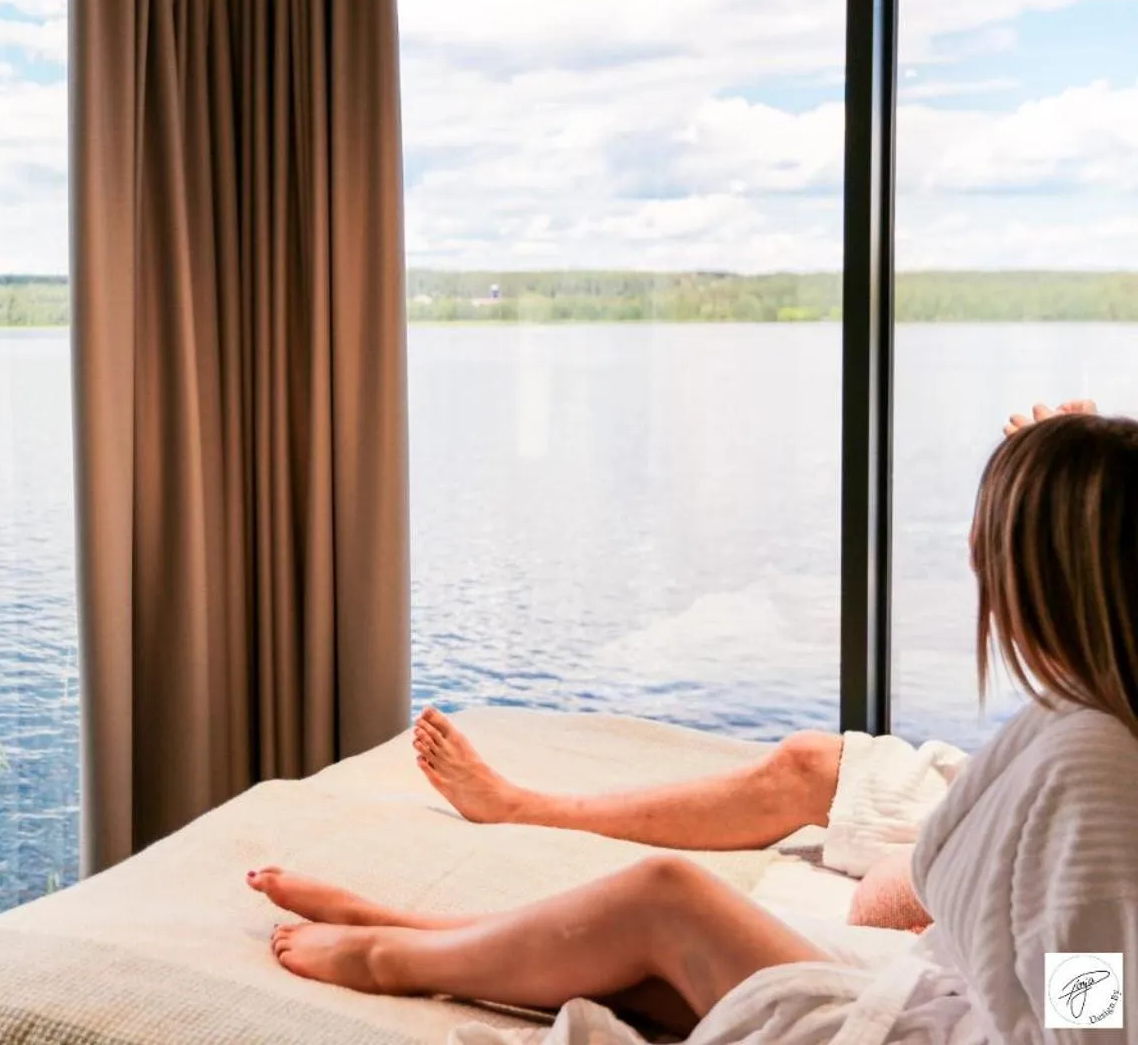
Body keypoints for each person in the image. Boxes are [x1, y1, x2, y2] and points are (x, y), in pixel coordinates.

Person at [247, 405, 1137, 1043]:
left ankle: (392, 961)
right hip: (950, 990)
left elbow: (1090, 1007)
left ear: (1044, 572)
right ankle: (407, 926)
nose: (976, 564)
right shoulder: (1085, 722)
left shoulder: (1092, 762)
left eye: (990, 544)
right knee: (639, 958)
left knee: (665, 897)